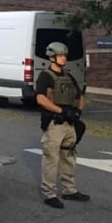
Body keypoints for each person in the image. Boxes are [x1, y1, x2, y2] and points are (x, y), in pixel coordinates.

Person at [35, 41, 89, 209]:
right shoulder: (45, 76)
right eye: (60, 55)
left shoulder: (68, 76)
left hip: (69, 123)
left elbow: (79, 95)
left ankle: (69, 190)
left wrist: (78, 112)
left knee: (69, 157)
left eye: (64, 55)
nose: (64, 58)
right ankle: (49, 194)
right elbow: (41, 99)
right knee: (51, 159)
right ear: (52, 57)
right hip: (54, 123)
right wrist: (60, 111)